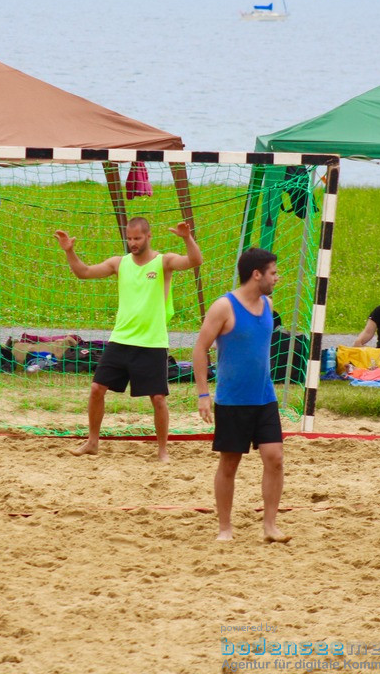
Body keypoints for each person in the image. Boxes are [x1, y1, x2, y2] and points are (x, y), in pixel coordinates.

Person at [55, 217, 202, 462]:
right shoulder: (119, 263)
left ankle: (163, 451)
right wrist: (70, 251)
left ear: (148, 236)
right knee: (96, 389)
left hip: (152, 343)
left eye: (137, 238)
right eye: (130, 238)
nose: (133, 243)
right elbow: (84, 273)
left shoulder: (162, 262)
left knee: (158, 399)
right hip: (121, 340)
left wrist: (187, 238)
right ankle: (92, 442)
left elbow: (194, 261)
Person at [193, 247, 289, 543]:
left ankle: (270, 526)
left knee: (274, 458)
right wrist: (203, 394)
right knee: (229, 463)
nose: (277, 277)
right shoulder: (225, 307)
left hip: (265, 398)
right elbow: (199, 349)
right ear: (256, 274)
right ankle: (225, 528)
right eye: (273, 272)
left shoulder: (268, 304)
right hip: (233, 401)